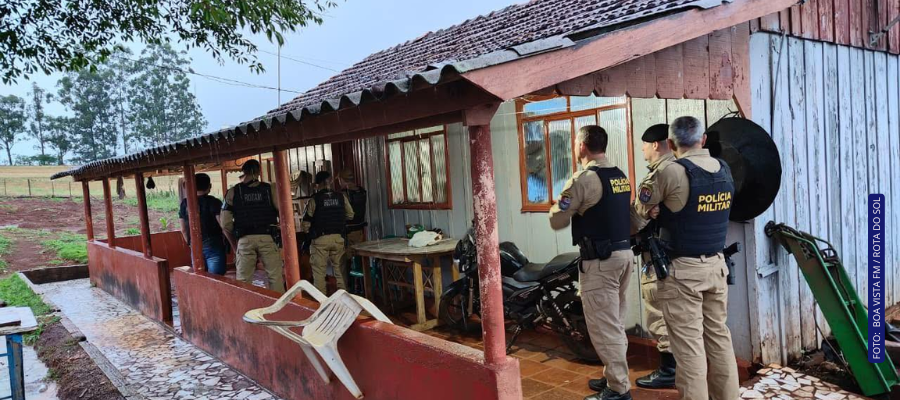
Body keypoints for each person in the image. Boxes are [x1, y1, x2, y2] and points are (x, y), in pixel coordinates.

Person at [634, 116, 739, 400]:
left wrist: (651, 210)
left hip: (683, 272)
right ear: (702, 140)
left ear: (670, 143)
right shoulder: (723, 168)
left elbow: (639, 212)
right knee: (719, 339)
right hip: (716, 266)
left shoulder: (670, 172)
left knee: (689, 348)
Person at [549, 125, 634, 400]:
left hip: (600, 262)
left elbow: (558, 219)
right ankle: (612, 375)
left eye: (576, 142)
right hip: (623, 256)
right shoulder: (619, 175)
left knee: (604, 327)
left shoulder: (583, 179)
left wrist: (559, 205)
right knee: (614, 322)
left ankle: (618, 389)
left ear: (582, 146)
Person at [630, 124, 677, 389]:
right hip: (684, 256)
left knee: (659, 313)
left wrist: (643, 212)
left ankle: (669, 371)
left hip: (659, 258)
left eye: (645, 145)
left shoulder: (658, 175)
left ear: (656, 145)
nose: (643, 149)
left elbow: (636, 220)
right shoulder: (685, 168)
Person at [221, 159, 285, 293]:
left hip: (244, 239)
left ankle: (244, 305)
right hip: (267, 237)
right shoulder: (270, 189)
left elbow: (225, 223)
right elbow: (283, 212)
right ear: (259, 172)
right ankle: (278, 304)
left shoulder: (233, 191)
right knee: (275, 277)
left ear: (243, 172)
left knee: (243, 281)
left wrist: (238, 233)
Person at [307, 170, 354, 294]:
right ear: (330, 181)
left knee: (319, 273)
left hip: (320, 239)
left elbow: (306, 222)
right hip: (338, 238)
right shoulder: (341, 197)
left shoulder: (315, 199)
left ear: (318, 184)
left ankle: (321, 301)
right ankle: (343, 299)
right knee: (340, 271)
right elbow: (350, 215)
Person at [179, 173, 228, 275]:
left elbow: (183, 229)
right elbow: (223, 225)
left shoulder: (185, 203)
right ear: (209, 186)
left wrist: (191, 244)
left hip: (195, 245)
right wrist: (232, 243)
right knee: (216, 279)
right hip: (214, 245)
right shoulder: (214, 202)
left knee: (200, 278)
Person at [337, 169, 367, 290]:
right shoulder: (362, 192)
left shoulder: (344, 194)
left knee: (343, 262)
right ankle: (362, 286)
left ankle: (346, 289)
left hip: (348, 232)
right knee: (360, 260)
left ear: (342, 180)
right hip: (359, 230)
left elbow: (343, 213)